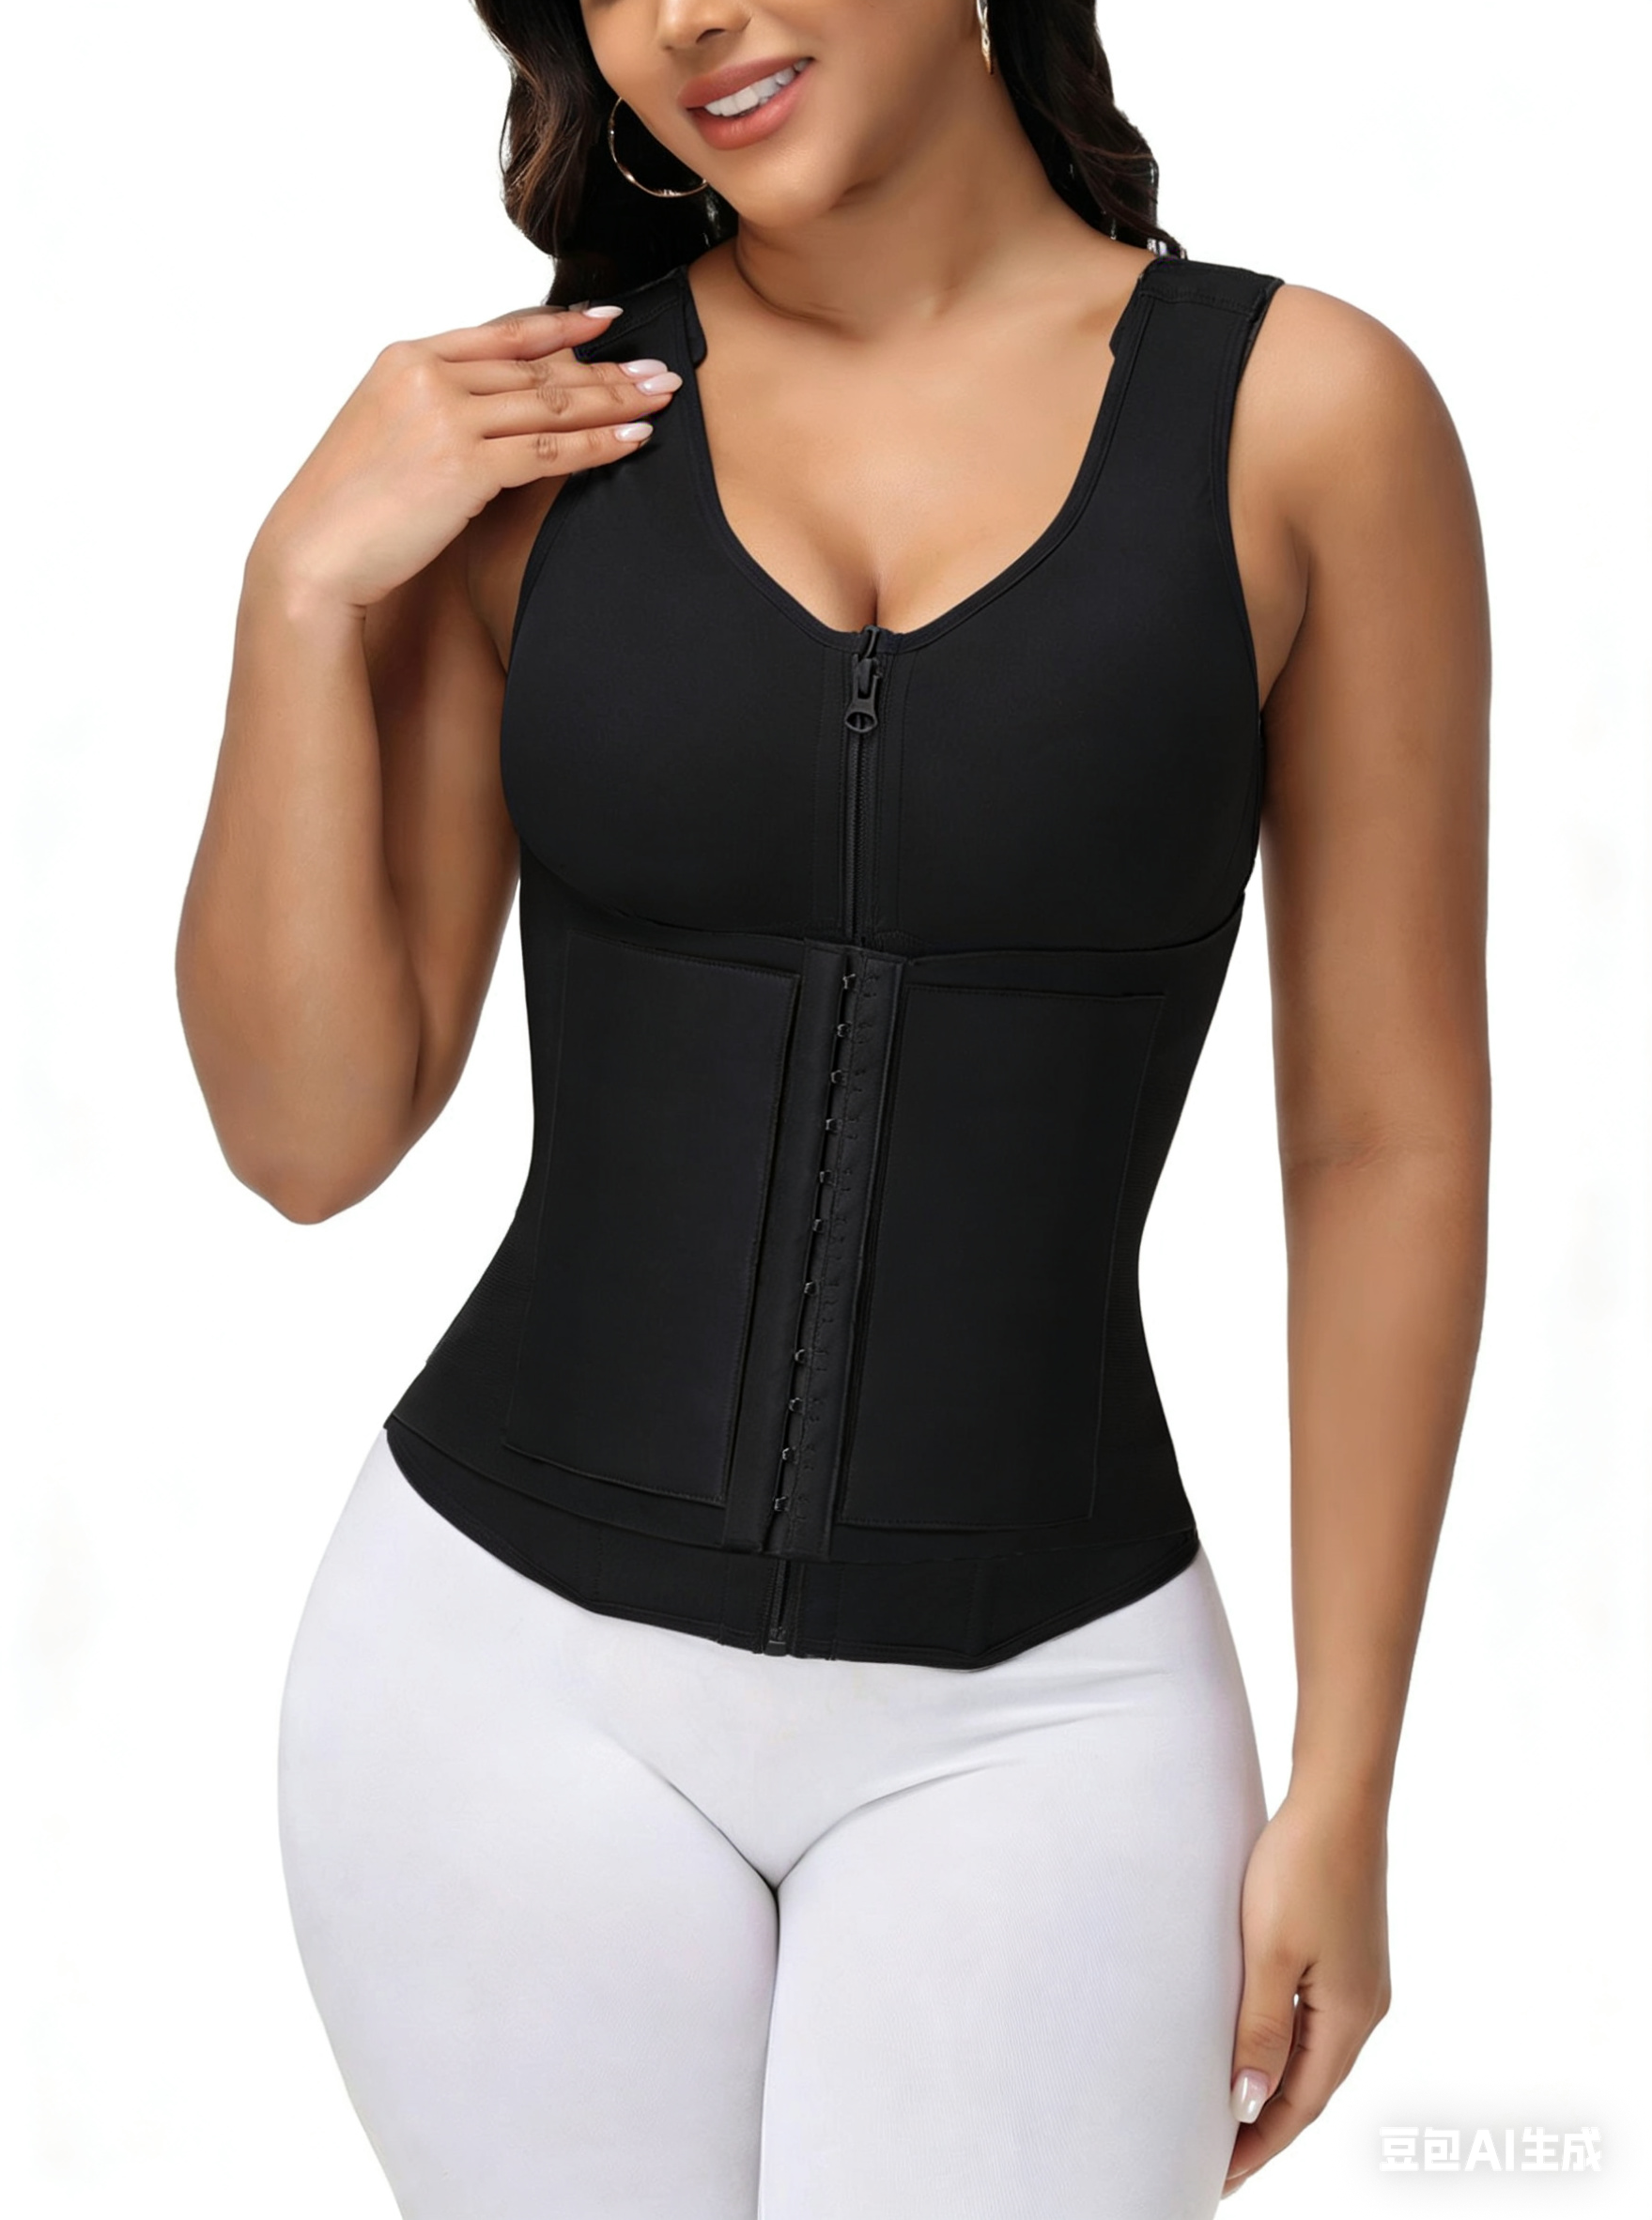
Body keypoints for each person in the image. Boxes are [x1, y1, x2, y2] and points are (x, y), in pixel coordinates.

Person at [175, 1, 1490, 2212]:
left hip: (1050, 1710)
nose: (686, 15)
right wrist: (296, 592)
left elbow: (1386, 1134)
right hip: (493, 1686)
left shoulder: (1302, 416)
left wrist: (1344, 1783)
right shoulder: (546, 432)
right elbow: (308, 1139)